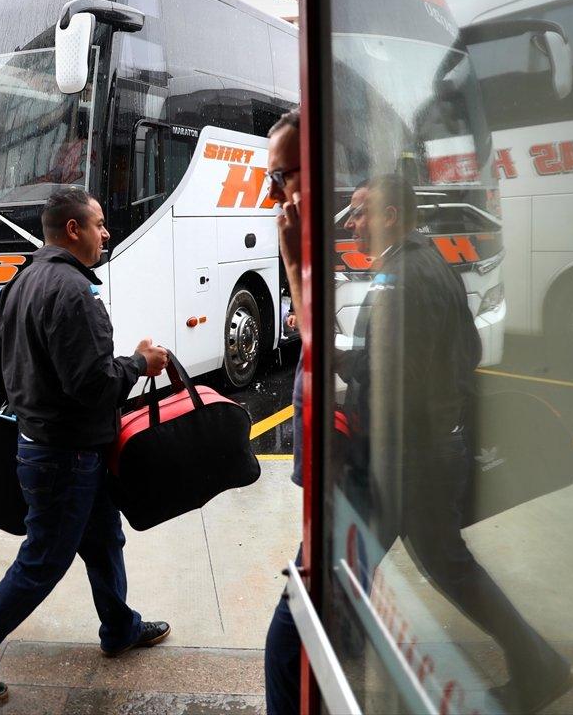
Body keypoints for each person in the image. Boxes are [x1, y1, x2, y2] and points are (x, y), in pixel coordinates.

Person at [340, 173, 573, 714]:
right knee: (377, 559)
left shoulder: (402, 276)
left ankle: (540, 667)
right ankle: (539, 666)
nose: (351, 224)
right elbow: (465, 348)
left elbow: (395, 377)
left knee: (434, 564)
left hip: (411, 455)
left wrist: (346, 374)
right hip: (424, 448)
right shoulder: (429, 265)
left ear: (391, 217)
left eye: (359, 213)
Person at [0, 186, 171, 707]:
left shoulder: (20, 281)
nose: (107, 233)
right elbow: (95, 385)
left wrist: (34, 391)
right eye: (100, 224)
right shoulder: (73, 292)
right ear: (73, 230)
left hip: (48, 446)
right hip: (68, 457)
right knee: (41, 562)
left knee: (104, 537)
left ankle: (119, 627)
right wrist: (140, 364)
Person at [261, 109, 305, 715]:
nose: (272, 192)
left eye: (282, 176)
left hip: (350, 483)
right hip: (332, 481)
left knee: (287, 638)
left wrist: (293, 262)